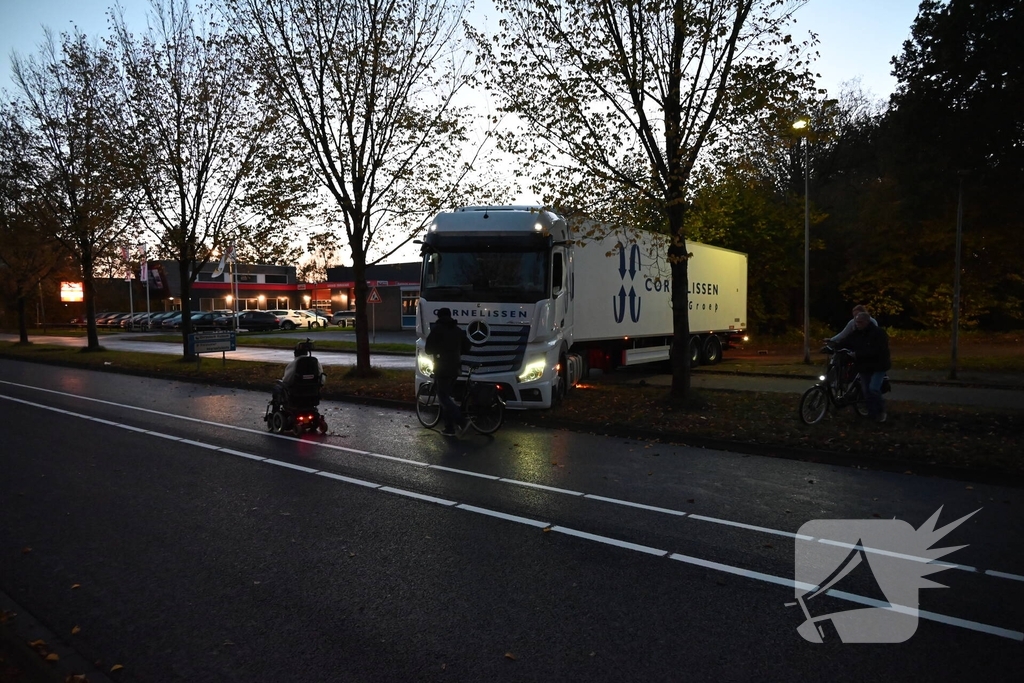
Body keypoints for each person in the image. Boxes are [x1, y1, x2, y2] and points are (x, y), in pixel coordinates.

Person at [424, 307, 471, 436]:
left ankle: (462, 421)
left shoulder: (437, 330)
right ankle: (449, 428)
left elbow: (428, 349)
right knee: (447, 396)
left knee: (443, 397)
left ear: (439, 317)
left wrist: (438, 351)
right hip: (455, 367)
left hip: (442, 367)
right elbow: (467, 346)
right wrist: (457, 352)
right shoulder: (457, 330)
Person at [845, 311, 891, 422]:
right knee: (866, 391)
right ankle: (872, 413)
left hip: (878, 365)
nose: (857, 324)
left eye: (860, 322)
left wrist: (858, 354)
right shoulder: (857, 333)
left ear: (867, 321)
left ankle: (881, 411)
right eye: (857, 322)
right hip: (864, 365)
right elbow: (847, 341)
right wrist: (833, 344)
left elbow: (878, 351)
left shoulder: (878, 333)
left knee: (873, 388)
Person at [273, 340, 325, 408]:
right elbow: (322, 379)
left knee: (277, 388)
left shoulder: (294, 363)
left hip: (296, 394)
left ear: (295, 353)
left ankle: (275, 410)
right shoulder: (316, 362)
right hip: (312, 394)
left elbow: (287, 380)